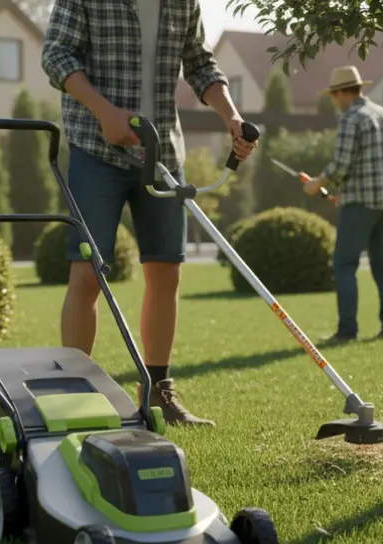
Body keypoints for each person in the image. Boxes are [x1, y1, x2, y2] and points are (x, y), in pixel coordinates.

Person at [41, 0, 257, 426]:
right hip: (96, 148)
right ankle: (76, 396)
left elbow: (200, 63)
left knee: (166, 272)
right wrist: (105, 112)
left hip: (163, 155)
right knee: (87, 273)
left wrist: (231, 116)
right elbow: (56, 55)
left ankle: (158, 393)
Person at [303, 66, 383, 345]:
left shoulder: (351, 119)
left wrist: (317, 183)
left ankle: (347, 331)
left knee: (344, 265)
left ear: (339, 93)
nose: (333, 101)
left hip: (360, 203)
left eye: (333, 96)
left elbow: (341, 165)